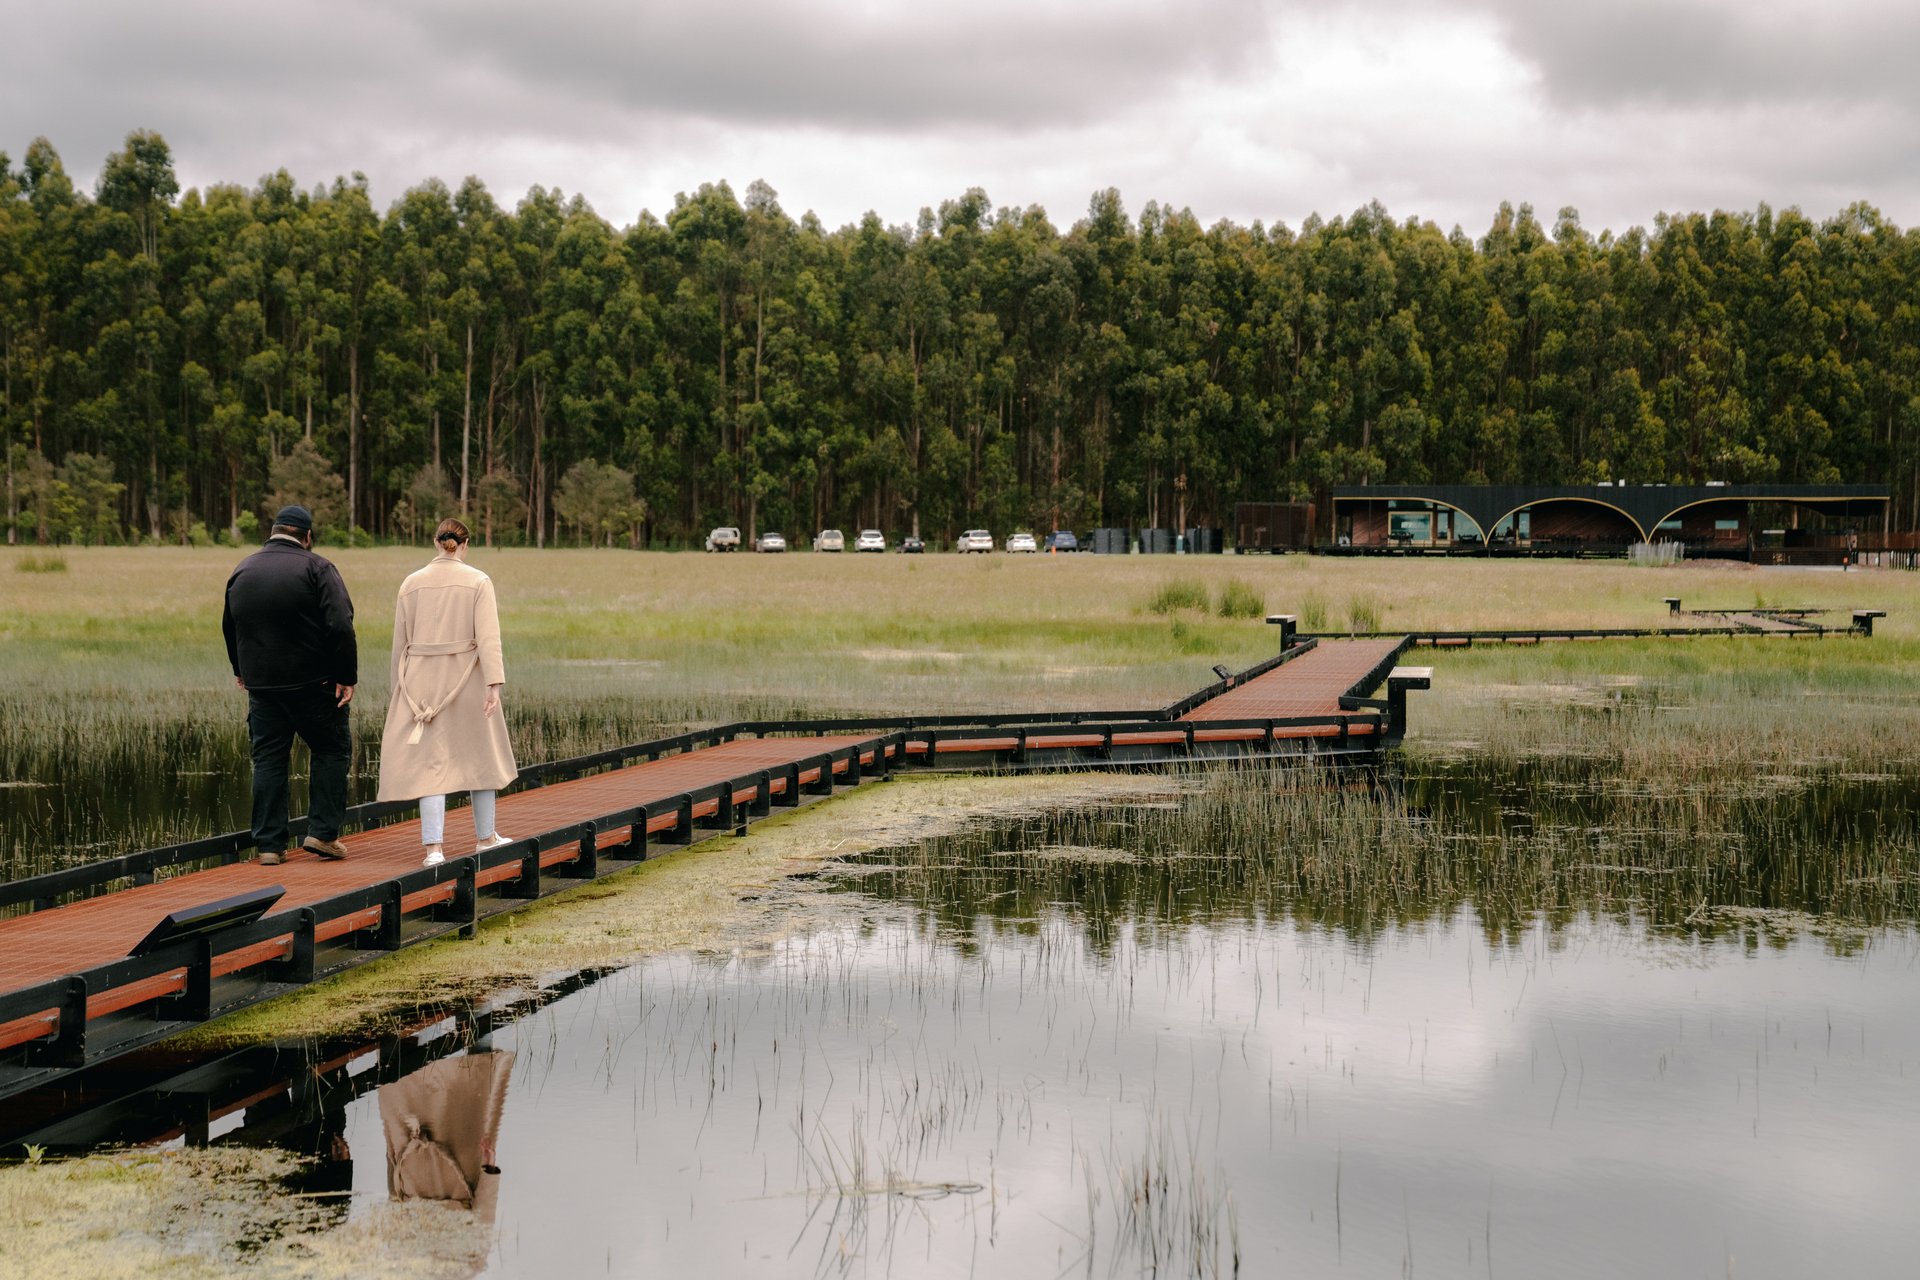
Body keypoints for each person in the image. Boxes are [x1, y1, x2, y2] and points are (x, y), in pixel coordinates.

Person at [377, 517, 518, 867]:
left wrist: (398, 690)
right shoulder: (478, 581)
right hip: (467, 678)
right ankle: (486, 838)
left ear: (435, 542)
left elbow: (401, 644)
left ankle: (434, 850)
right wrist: (494, 683)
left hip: (421, 681)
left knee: (430, 765)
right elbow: (489, 638)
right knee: (481, 757)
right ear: (464, 544)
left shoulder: (411, 583)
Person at [223, 504, 357, 867]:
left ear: (272, 531)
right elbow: (341, 623)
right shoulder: (318, 568)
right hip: (315, 685)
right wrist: (347, 676)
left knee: (268, 761)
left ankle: (269, 845)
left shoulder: (243, 569)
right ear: (307, 537)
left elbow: (231, 625)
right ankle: (323, 835)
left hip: (263, 689)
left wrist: (241, 670)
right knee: (331, 751)